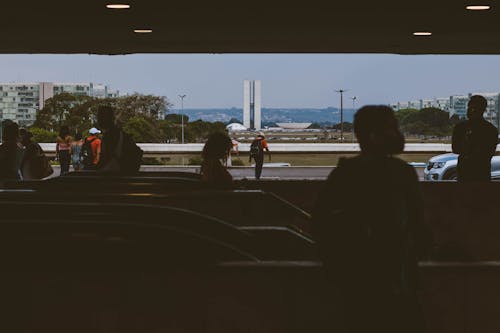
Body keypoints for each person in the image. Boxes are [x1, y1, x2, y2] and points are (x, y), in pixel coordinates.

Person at [312, 105, 432, 333]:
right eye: (392, 128)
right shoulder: (400, 173)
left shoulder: (345, 173)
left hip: (356, 282)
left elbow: (319, 223)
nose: (398, 133)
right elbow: (418, 227)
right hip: (394, 280)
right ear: (374, 136)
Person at [452, 95, 498, 182]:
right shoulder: (491, 129)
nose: (469, 110)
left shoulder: (460, 127)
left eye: (473, 108)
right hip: (478, 173)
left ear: (482, 110)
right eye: (469, 107)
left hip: (471, 173)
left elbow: (456, 148)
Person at [96, 105, 143, 174]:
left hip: (115, 176)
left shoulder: (110, 136)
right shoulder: (120, 134)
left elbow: (106, 159)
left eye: (101, 117)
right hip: (123, 174)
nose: (99, 119)